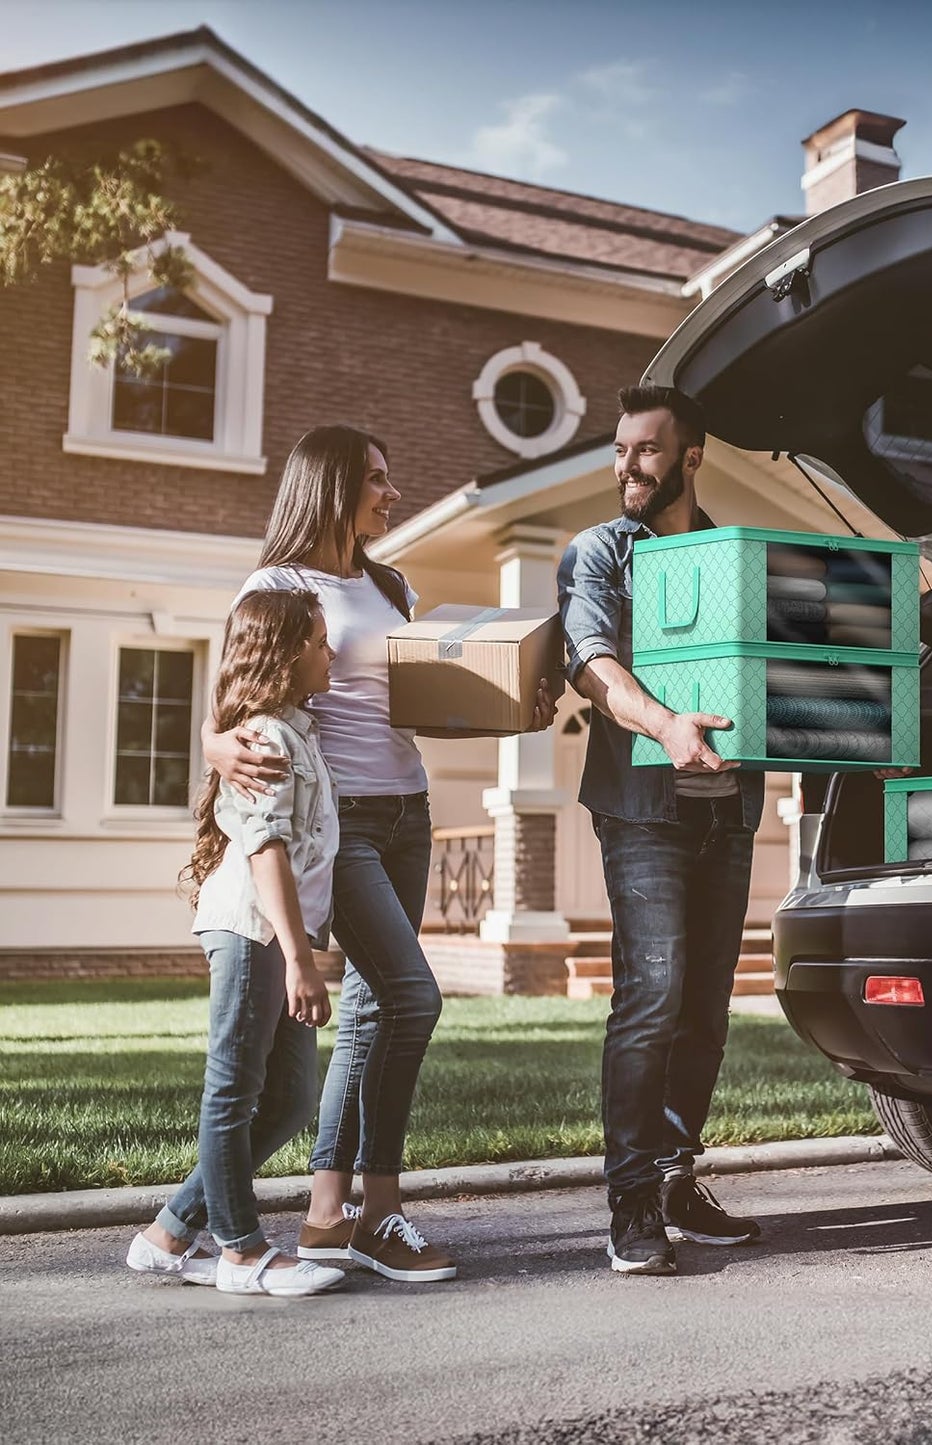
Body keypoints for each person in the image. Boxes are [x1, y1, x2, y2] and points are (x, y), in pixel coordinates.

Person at [204, 425, 555, 1283]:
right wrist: (215, 749)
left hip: (408, 808)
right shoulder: (277, 583)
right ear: (330, 485)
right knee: (412, 997)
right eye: (376, 479)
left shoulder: (389, 582)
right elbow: (237, 696)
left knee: (370, 1009)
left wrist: (514, 708)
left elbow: (404, 704)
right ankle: (379, 1208)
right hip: (342, 820)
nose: (391, 494)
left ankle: (330, 1213)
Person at [557, 384, 765, 1275]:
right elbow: (591, 659)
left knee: (705, 1010)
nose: (625, 467)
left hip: (730, 814)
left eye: (645, 450)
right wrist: (666, 722)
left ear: (689, 458)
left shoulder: (734, 556)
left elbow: (778, 664)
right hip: (643, 813)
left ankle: (678, 1176)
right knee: (651, 998)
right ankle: (631, 1198)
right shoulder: (601, 551)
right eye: (618, 450)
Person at [126, 589, 346, 1297]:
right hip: (253, 928)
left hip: (275, 932)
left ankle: (167, 1233)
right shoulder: (265, 739)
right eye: (319, 640)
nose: (330, 651)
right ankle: (241, 1250)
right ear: (285, 654)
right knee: (234, 1091)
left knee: (287, 1100)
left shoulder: (296, 728)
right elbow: (265, 852)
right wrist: (299, 957)